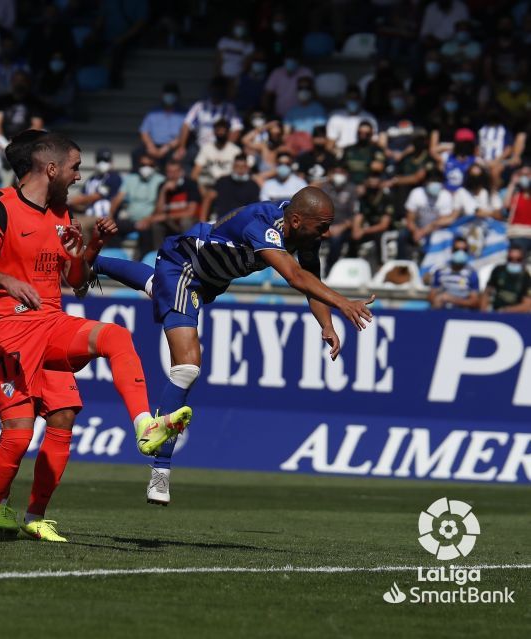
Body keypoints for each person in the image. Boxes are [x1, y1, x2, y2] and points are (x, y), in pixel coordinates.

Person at [0, 133, 192, 544]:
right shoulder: (1, 204)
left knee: (109, 348)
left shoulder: (61, 212)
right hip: (10, 328)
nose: (78, 176)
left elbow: (78, 284)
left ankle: (142, 429)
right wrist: (9, 282)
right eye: (74, 167)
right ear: (51, 168)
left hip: (50, 321)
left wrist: (87, 250)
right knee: (17, 436)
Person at [90, 187, 375, 504]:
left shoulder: (306, 232)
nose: (327, 231)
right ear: (296, 220)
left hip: (211, 279)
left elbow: (311, 281)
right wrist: (344, 304)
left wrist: (326, 323)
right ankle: (160, 470)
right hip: (184, 265)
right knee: (187, 368)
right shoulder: (261, 225)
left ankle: (94, 263)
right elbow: (295, 276)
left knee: (155, 287)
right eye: (323, 226)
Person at [398, 169, 458, 260]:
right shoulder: (416, 193)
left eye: (438, 181)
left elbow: (441, 221)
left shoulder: (445, 196)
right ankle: (402, 263)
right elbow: (410, 218)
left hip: (435, 230)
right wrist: (415, 231)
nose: (435, 184)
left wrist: (424, 232)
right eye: (432, 181)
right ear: (426, 182)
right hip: (416, 228)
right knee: (402, 236)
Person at [350, 172, 395, 265]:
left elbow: (384, 225)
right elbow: (359, 216)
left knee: (380, 237)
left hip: (388, 230)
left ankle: (381, 266)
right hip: (369, 229)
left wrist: (363, 231)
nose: (373, 183)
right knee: (352, 238)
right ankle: (351, 264)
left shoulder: (387, 198)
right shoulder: (364, 198)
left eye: (376, 180)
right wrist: (356, 230)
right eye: (371, 180)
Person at [320, 165, 359, 274]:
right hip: (323, 226)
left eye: (341, 172)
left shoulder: (351, 189)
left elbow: (355, 214)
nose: (338, 175)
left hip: (343, 227)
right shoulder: (325, 188)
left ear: (346, 174)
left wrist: (342, 227)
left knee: (336, 240)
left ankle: (330, 270)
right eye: (335, 172)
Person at [428, 236, 480, 310]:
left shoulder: (472, 274)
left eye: (464, 250)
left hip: (462, 314)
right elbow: (431, 295)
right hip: (442, 311)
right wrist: (437, 300)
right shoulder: (440, 271)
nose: (460, 252)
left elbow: (474, 302)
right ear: (452, 250)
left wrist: (451, 299)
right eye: (457, 250)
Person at [482, 245, 531, 312]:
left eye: (518, 260)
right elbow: (487, 293)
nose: (514, 262)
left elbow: (527, 305)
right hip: (494, 311)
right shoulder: (498, 270)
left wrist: (506, 311)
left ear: (522, 260)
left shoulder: (526, 276)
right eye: (510, 259)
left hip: (515, 314)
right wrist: (484, 313)